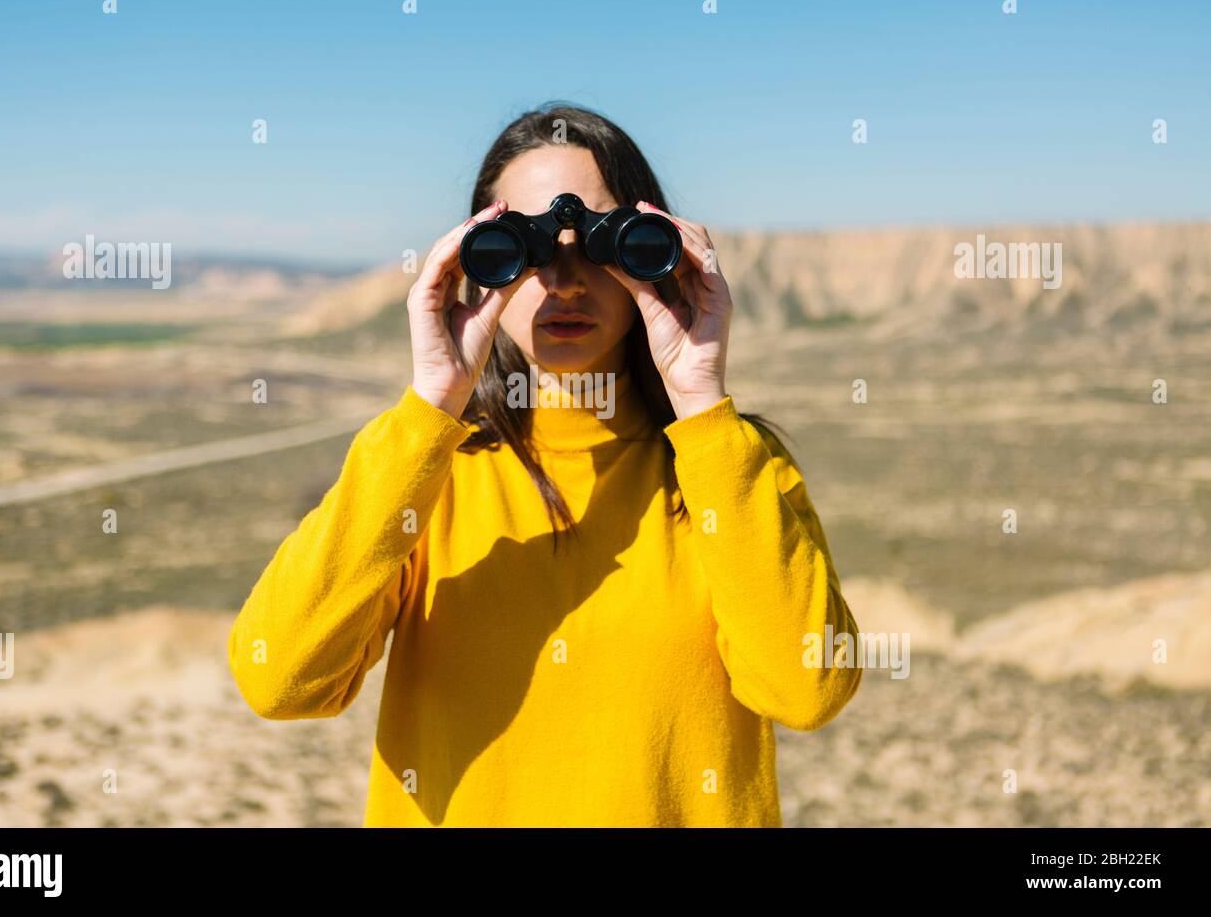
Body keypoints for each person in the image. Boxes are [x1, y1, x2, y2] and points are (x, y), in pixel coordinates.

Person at [228, 102, 863, 827]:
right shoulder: (428, 474)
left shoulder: (733, 469)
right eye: (523, 247)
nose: (564, 280)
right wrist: (428, 411)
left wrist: (703, 410)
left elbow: (808, 690)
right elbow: (278, 678)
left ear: (651, 253)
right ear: (477, 259)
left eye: (600, 244)